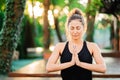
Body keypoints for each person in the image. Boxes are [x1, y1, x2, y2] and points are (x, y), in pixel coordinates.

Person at [46, 8, 106, 80]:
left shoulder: (92, 46)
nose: (75, 31)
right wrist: (71, 63)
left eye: (78, 28)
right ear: (68, 28)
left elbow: (103, 68)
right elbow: (49, 67)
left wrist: (80, 63)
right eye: (72, 28)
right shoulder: (60, 47)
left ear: (84, 28)